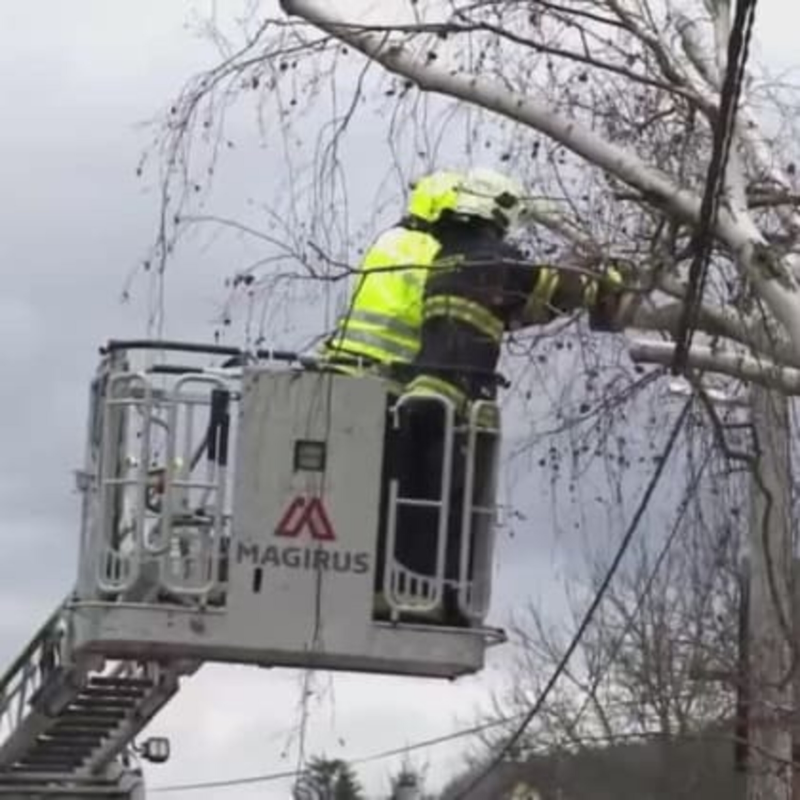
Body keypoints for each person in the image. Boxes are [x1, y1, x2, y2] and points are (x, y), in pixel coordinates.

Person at [387, 168, 634, 626]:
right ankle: (443, 596)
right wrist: (615, 279)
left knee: (419, 504)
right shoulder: (496, 261)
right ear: (496, 215)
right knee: (452, 508)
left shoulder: (448, 258)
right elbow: (559, 286)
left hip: (424, 394)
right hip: (456, 400)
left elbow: (523, 308)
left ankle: (414, 588)